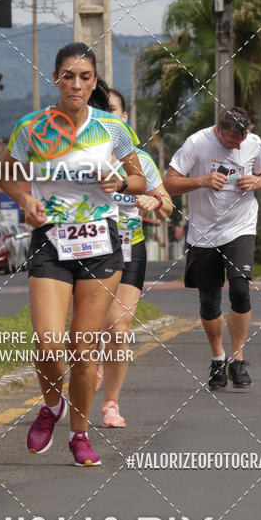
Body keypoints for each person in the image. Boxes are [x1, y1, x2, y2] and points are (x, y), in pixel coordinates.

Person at [0, 43, 146, 466]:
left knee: (83, 351)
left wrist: (119, 183)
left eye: (85, 77)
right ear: (56, 79)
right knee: (47, 345)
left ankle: (79, 434)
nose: (76, 84)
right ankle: (51, 405)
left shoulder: (112, 130)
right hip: (51, 241)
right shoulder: (32, 127)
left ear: (94, 82)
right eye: (68, 75)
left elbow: (140, 181)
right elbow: (7, 177)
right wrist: (25, 201)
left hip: (101, 244)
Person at [164, 107, 261, 390]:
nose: (237, 146)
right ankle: (217, 359)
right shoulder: (197, 143)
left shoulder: (253, 142)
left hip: (241, 227)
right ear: (219, 130)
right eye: (231, 141)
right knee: (209, 301)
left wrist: (258, 181)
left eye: (241, 140)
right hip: (204, 233)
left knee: (240, 289)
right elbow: (170, 182)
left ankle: (238, 360)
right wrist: (201, 180)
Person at [97, 88, 173, 427]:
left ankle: (111, 404)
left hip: (131, 248)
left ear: (124, 119)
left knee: (120, 325)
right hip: (90, 248)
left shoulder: (141, 162)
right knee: (88, 327)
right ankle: (89, 365)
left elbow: (168, 205)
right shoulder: (84, 157)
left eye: (113, 111)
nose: (108, 117)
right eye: (101, 111)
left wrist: (153, 202)